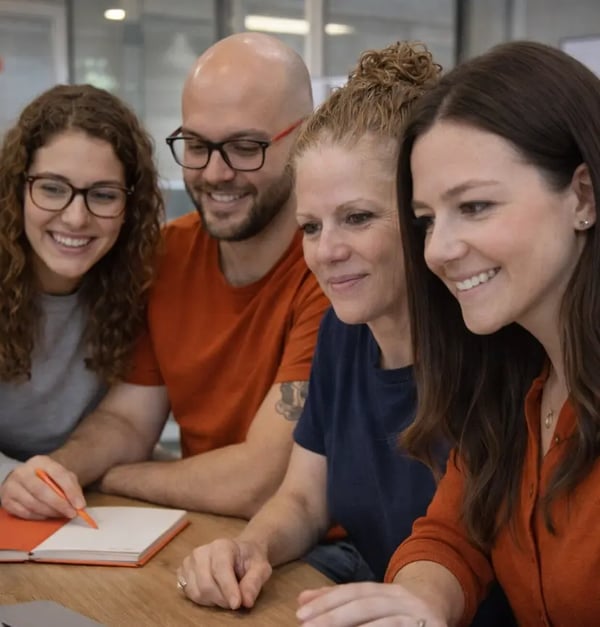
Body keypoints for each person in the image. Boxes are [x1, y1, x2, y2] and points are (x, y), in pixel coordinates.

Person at [175, 42, 514, 626]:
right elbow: (305, 499)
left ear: (421, 216)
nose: (326, 252)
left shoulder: (491, 348)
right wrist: (251, 548)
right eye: (311, 226)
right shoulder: (342, 331)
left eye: (357, 218)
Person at [292, 40, 600, 627]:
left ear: (582, 196)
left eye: (477, 206)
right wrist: (420, 602)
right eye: (427, 220)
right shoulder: (511, 368)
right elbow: (449, 536)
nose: (439, 250)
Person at [1, 33, 328, 522]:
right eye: (196, 145)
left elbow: (259, 482)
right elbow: (126, 421)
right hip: (198, 522)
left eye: (244, 147)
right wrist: (56, 475)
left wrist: (108, 477)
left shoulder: (331, 266)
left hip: (313, 544)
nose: (216, 173)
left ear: (304, 138)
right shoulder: (167, 254)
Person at [0, 84, 163, 516]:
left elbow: (125, 424)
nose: (76, 217)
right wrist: (7, 479)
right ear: (17, 189)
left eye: (103, 195)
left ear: (131, 206)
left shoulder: (142, 284)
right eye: (52, 188)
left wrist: (53, 474)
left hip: (82, 501)